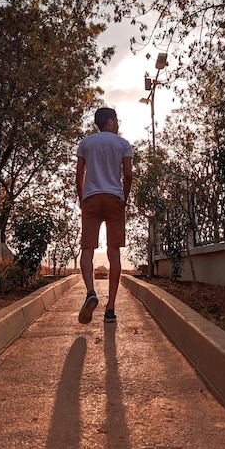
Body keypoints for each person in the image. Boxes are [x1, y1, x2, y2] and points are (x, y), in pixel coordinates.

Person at [75, 107, 133, 324]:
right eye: (116, 120)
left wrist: (83, 199)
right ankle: (110, 308)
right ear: (109, 121)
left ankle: (90, 291)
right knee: (113, 251)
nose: (117, 124)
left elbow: (79, 174)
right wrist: (123, 198)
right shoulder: (123, 144)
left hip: (91, 198)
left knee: (87, 249)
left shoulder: (86, 143)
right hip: (114, 198)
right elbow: (128, 174)